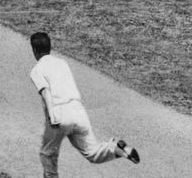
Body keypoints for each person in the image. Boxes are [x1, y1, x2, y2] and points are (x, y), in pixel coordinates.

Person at [29, 32, 139, 177]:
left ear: (34, 50)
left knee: (47, 154)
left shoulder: (37, 69)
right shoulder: (62, 63)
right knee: (93, 153)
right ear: (50, 47)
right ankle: (115, 148)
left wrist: (52, 115)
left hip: (59, 113)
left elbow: (45, 92)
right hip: (78, 111)